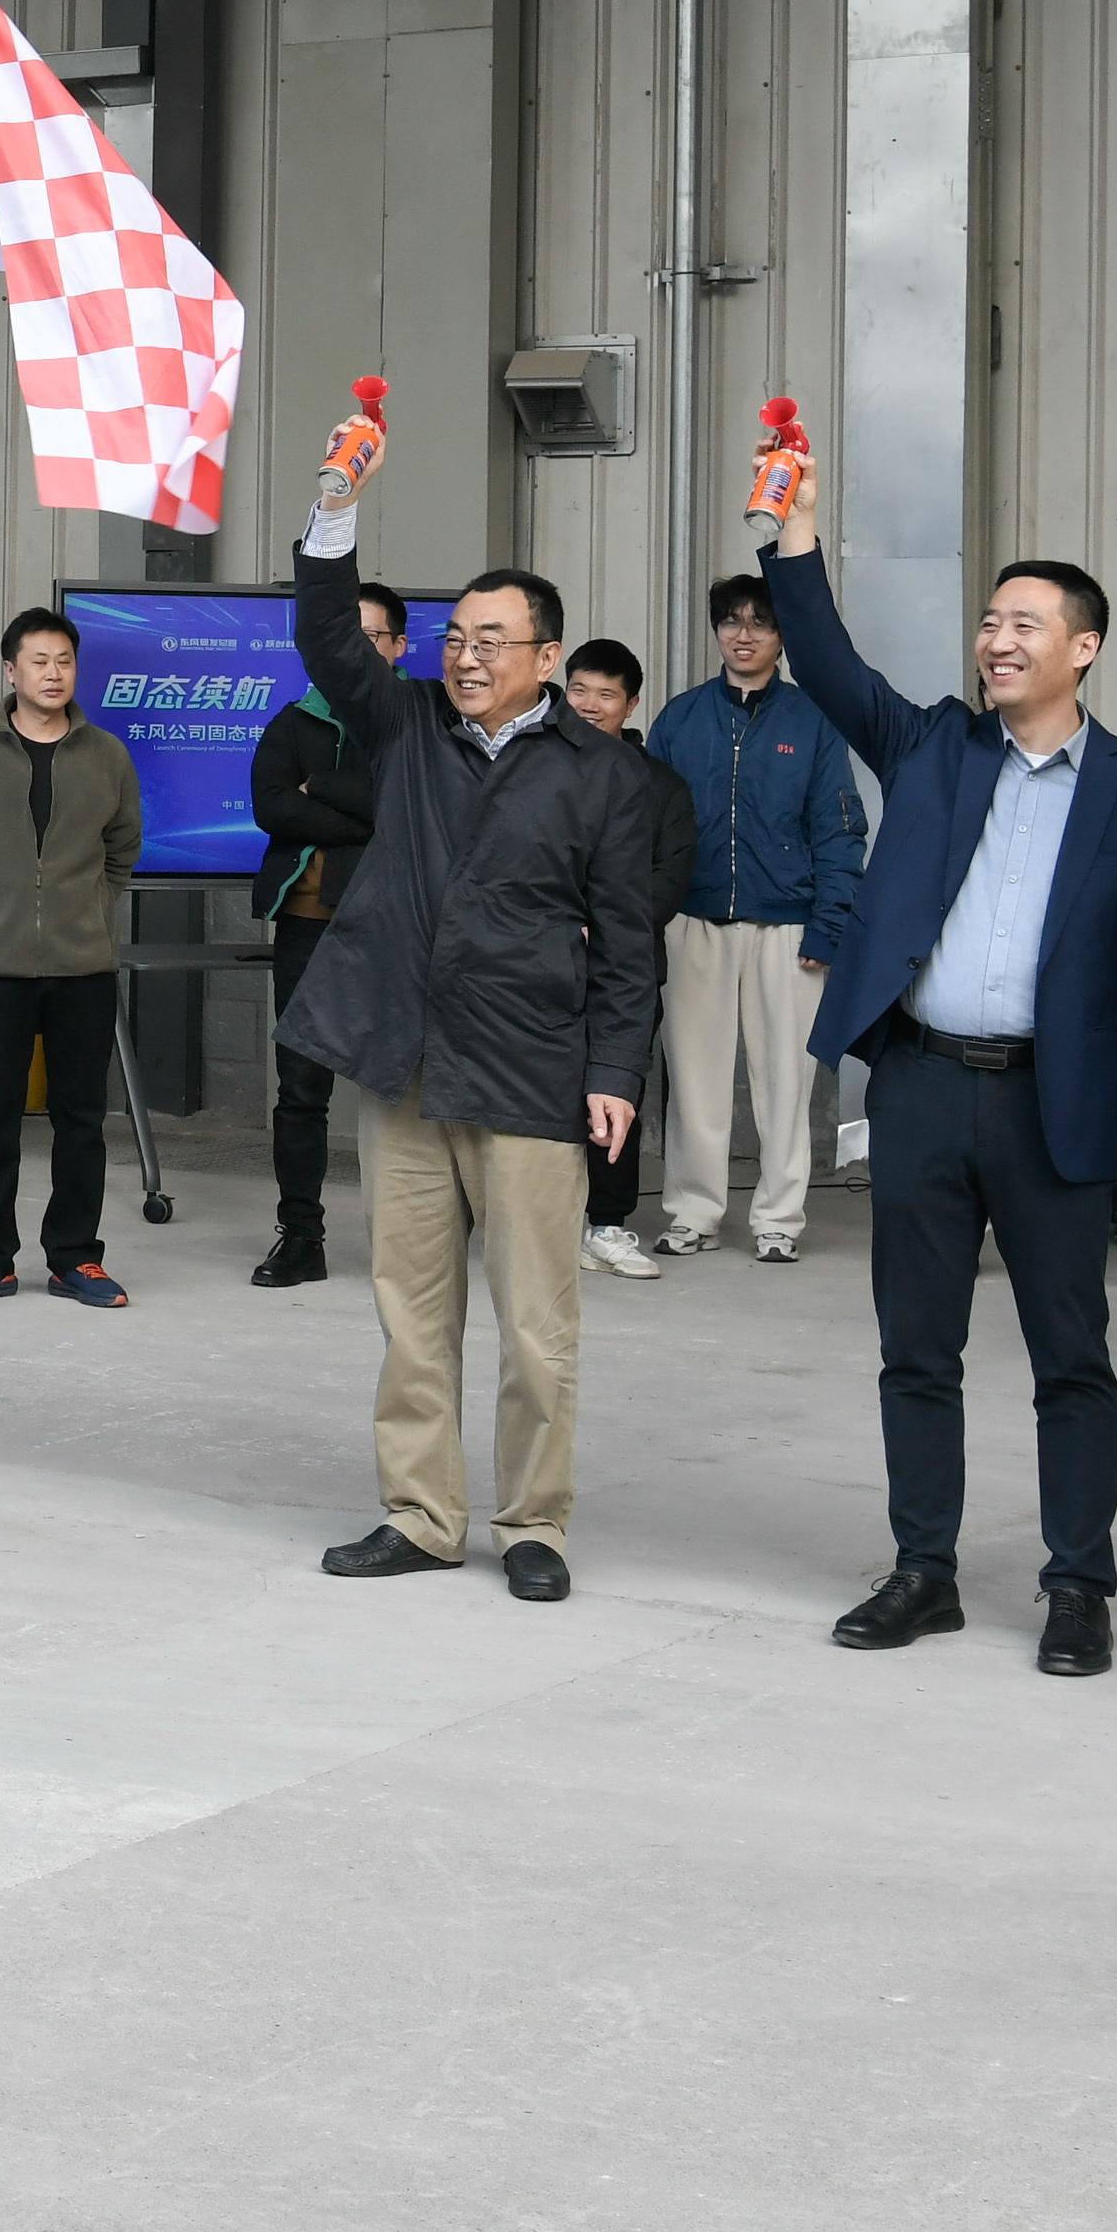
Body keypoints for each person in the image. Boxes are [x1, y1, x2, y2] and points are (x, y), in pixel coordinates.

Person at [757, 435, 1117, 1674]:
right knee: (916, 1350)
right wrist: (795, 530)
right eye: (991, 622)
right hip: (924, 1085)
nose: (996, 641)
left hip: (1057, 1106)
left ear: (1083, 648)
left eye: (1024, 625)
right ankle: (924, 1572)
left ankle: (1078, 1585)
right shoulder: (932, 748)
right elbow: (829, 664)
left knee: (1072, 1358)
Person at [283, 409, 673, 1600]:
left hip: (530, 1071)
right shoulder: (407, 728)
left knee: (539, 1324)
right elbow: (327, 638)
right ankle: (421, 1514)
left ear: (547, 659)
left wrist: (614, 1075)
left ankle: (535, 1525)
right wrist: (337, 503)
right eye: (455, 637)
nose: (465, 657)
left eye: (492, 641)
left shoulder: (604, 776)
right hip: (406, 1063)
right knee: (412, 1314)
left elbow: (629, 945)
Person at [0, 603, 146, 1309]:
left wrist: (92, 911)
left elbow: (123, 846)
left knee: (81, 1121)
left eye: (64, 661)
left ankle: (76, 1258)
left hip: (83, 968)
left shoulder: (106, 754)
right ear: (11, 671)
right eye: (38, 661)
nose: (53, 673)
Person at [647, 573, 861, 1269]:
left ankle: (778, 1218)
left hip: (789, 927)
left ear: (782, 636)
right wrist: (650, 916)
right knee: (694, 1077)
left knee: (786, 1081)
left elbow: (839, 830)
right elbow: (645, 828)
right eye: (731, 621)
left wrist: (829, 925)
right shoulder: (680, 719)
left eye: (760, 623)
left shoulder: (813, 721)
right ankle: (693, 1212)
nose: (744, 635)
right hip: (692, 919)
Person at [247, 578, 408, 1289]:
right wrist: (367, 817)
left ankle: (413, 1238)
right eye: (344, 636)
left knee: (405, 1088)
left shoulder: (419, 720)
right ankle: (301, 1236)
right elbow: (272, 808)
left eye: (370, 637)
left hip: (396, 929)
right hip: (308, 928)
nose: (355, 650)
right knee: (301, 1090)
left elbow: (409, 805)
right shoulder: (293, 722)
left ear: (398, 647)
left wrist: (326, 789)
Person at [571, 640, 691, 1262]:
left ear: (632, 704)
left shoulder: (661, 787)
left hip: (625, 966)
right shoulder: (531, 766)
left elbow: (669, 880)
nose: (590, 706)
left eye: (606, 695)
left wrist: (602, 928)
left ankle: (607, 1221)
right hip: (537, 961)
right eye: (579, 691)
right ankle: (543, 1218)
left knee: (617, 1087)